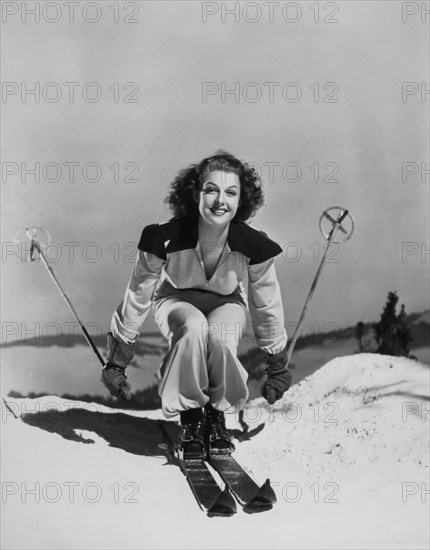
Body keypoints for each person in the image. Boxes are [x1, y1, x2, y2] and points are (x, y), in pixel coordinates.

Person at [102, 151, 292, 458]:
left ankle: (217, 418)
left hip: (226, 301)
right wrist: (117, 360)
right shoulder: (163, 237)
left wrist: (276, 362)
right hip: (174, 299)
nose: (221, 201)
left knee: (220, 336)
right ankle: (191, 420)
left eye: (231, 192)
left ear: (241, 199)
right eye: (211, 190)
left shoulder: (254, 245)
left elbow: (266, 302)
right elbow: (139, 293)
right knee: (192, 328)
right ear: (196, 193)